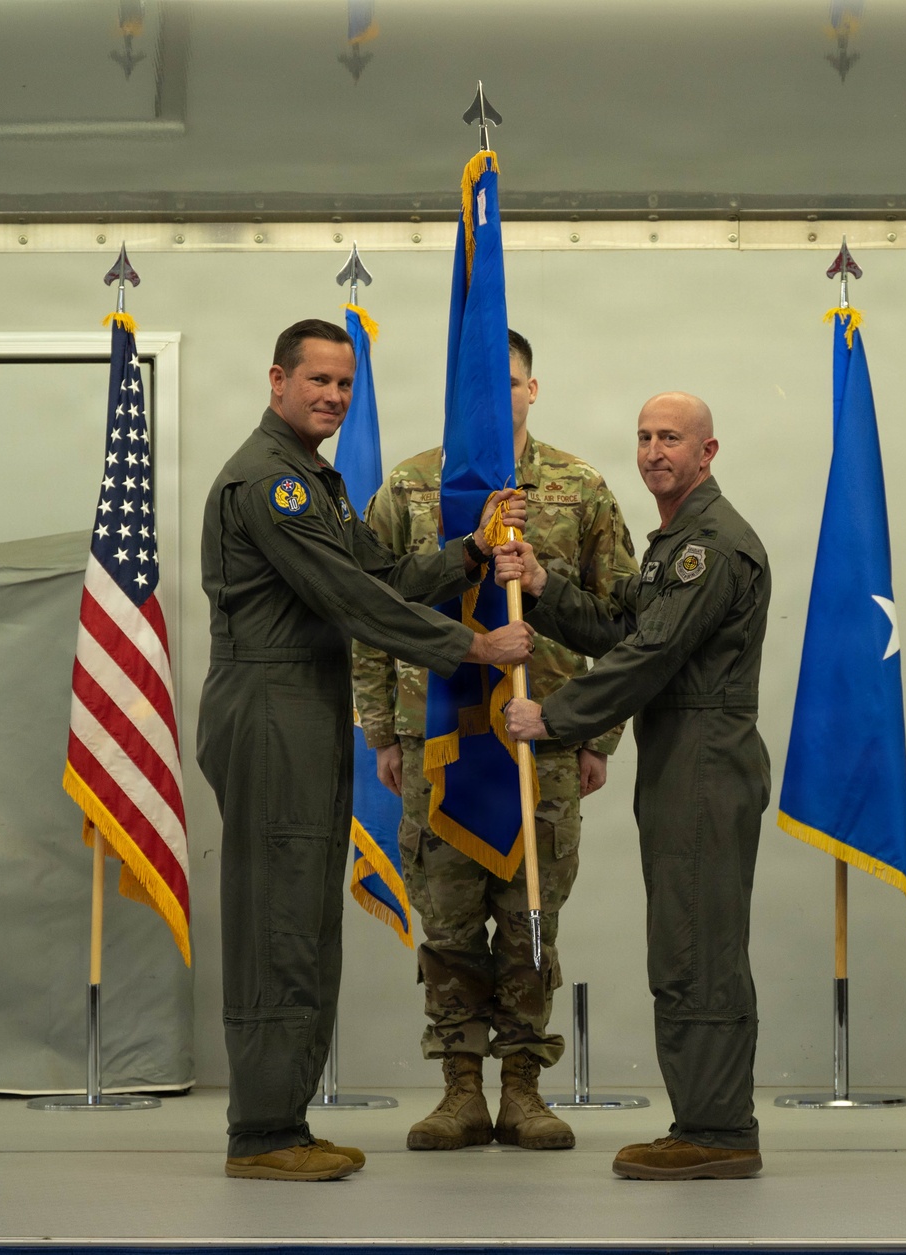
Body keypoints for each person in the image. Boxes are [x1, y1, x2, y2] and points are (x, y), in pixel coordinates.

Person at [196, 318, 533, 1182]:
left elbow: (380, 574)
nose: (335, 398)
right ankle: (262, 1132)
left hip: (304, 702)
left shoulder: (315, 479)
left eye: (345, 384)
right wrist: (471, 650)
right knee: (278, 917)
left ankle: (283, 1121)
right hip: (271, 703)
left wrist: (467, 550)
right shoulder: (270, 482)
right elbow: (352, 598)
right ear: (277, 380)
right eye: (319, 382)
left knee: (305, 915)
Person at [352, 329, 637, 1152]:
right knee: (446, 927)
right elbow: (371, 615)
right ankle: (459, 1090)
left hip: (540, 745)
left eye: (508, 382)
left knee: (529, 921)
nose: (495, 397)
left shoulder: (580, 489)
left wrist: (597, 735)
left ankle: (522, 1088)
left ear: (532, 389)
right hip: (435, 747)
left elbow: (625, 624)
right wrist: (383, 728)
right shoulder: (408, 490)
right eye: (478, 385)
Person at [499, 391, 771, 1180]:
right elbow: (626, 629)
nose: (654, 451)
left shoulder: (709, 546)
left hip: (705, 755)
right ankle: (705, 1119)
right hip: (681, 751)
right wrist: (547, 588)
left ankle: (718, 1130)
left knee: (700, 946)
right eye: (645, 436)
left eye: (672, 439)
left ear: (707, 453)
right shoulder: (672, 543)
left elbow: (648, 657)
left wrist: (553, 715)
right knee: (685, 939)